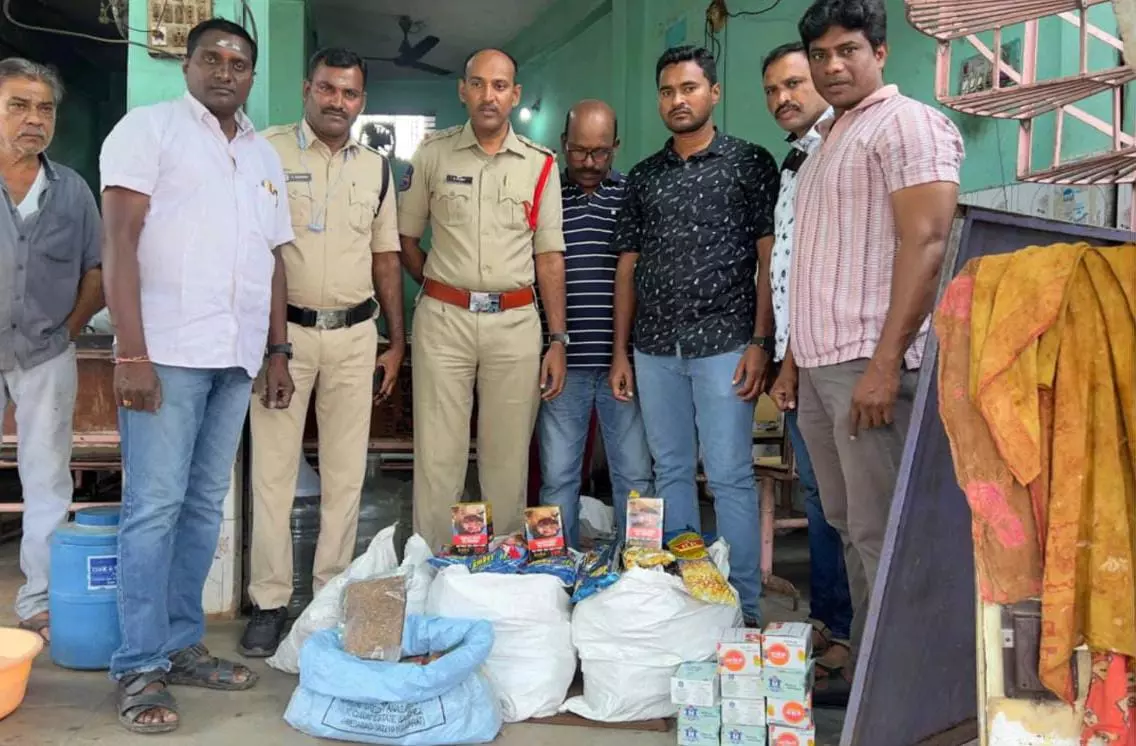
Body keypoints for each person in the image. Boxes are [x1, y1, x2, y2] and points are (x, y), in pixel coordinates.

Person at [100, 18, 294, 734]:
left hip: (235, 358)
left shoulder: (261, 155)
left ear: (251, 75)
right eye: (211, 58)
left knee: (203, 508)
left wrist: (277, 351)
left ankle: (181, 646)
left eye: (239, 62)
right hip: (168, 354)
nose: (225, 71)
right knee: (152, 509)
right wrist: (130, 352)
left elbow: (273, 259)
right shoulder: (147, 130)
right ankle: (140, 665)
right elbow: (118, 238)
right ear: (187, 65)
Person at [791, 0, 964, 689]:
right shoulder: (832, 136)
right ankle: (875, 675)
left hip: (869, 363)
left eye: (849, 50)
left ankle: (911, 692)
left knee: (884, 535)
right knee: (849, 525)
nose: (834, 65)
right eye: (822, 54)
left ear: (880, 53)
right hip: (824, 366)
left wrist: (887, 361)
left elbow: (927, 242)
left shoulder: (906, 124)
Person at [239, 48, 405, 657]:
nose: (339, 102)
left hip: (356, 336)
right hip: (284, 339)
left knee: (345, 475)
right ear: (308, 88)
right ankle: (270, 601)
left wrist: (397, 338)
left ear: (362, 100)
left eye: (351, 93)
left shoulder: (378, 170)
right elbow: (258, 250)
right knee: (275, 473)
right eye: (329, 89)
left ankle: (330, 596)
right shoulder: (268, 153)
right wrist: (273, 346)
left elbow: (386, 257)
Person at [610, 45, 780, 625]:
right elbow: (627, 268)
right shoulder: (643, 177)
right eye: (666, 91)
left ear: (713, 93)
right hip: (655, 349)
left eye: (688, 88)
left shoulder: (750, 163)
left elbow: (767, 259)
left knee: (731, 475)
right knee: (670, 472)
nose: (677, 100)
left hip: (726, 346)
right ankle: (686, 597)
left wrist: (761, 341)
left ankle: (742, 609)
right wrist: (621, 353)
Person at [398, 48, 567, 550]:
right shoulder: (431, 155)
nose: (488, 95)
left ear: (514, 96)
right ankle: (431, 563)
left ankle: (503, 571)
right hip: (444, 322)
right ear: (462, 90)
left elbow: (549, 259)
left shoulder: (540, 166)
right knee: (438, 455)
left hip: (514, 325)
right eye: (478, 83)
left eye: (500, 86)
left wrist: (557, 339)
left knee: (507, 455)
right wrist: (439, 285)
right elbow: (407, 241)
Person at [761, 41, 854, 702]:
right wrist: (783, 359)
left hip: (844, 356)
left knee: (856, 509)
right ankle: (832, 627)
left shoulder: (850, 145)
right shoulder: (795, 160)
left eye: (795, 82)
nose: (784, 97)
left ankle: (861, 641)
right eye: (774, 89)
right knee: (823, 501)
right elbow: (790, 272)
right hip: (802, 356)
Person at [0, 58, 105, 645]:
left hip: (45, 351)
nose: (33, 119)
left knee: (46, 481)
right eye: (18, 105)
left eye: (44, 108)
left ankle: (37, 599)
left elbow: (96, 269)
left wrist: (69, 328)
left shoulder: (71, 191)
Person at [536, 99, 652, 549]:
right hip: (562, 365)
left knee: (635, 473)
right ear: (563, 145)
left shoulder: (631, 196)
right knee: (559, 475)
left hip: (622, 363)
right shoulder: (546, 197)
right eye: (579, 150)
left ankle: (636, 568)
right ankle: (555, 569)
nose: (588, 162)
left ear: (616, 147)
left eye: (600, 152)